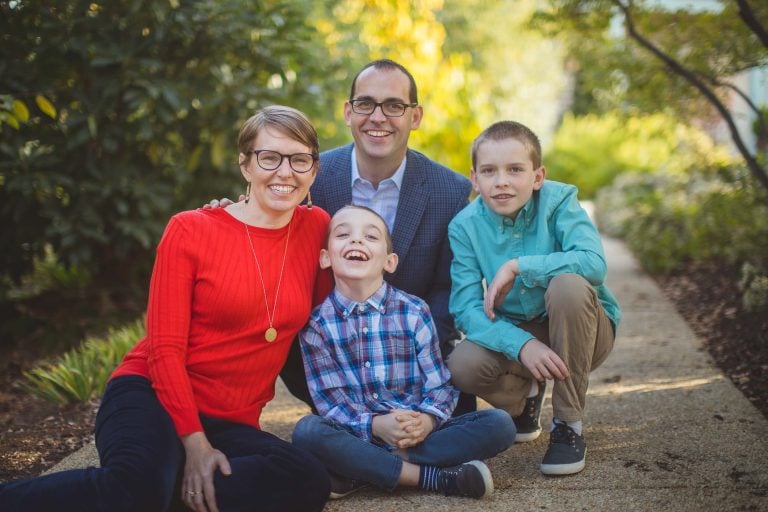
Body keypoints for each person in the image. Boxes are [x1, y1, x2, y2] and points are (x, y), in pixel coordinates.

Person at [0, 106, 332, 512]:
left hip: (230, 421)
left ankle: (163, 486)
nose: (285, 172)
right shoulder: (191, 229)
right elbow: (165, 349)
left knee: (307, 481)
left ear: (314, 171)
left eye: (299, 159)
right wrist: (194, 444)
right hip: (151, 393)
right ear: (245, 165)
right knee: (136, 488)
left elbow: (332, 313)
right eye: (269, 157)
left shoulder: (318, 228)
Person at [209, 59, 475, 414]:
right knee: (316, 435)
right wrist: (229, 215)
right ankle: (351, 427)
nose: (378, 117)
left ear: (415, 116)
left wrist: (413, 346)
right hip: (326, 353)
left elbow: (447, 287)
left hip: (414, 356)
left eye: (394, 105)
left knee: (478, 426)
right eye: (366, 104)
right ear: (348, 112)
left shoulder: (450, 191)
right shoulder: (308, 177)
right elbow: (263, 224)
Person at [291, 205, 516, 499]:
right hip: (359, 435)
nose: (356, 241)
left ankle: (360, 470)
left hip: (418, 434)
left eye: (370, 237)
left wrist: (428, 420)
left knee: (499, 424)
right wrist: (374, 425)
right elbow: (331, 403)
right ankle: (433, 478)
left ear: (390, 261)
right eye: (343, 234)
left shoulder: (413, 312)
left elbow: (440, 385)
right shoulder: (316, 326)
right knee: (308, 432)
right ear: (325, 257)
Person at [445, 121, 621, 476]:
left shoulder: (559, 202)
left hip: (585, 331)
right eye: (489, 171)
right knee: (461, 366)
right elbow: (464, 307)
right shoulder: (464, 226)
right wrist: (522, 344)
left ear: (538, 176)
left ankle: (568, 425)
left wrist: (519, 266)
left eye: (515, 170)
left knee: (567, 284)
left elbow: (594, 264)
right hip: (521, 333)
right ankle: (526, 394)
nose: (502, 181)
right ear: (474, 179)